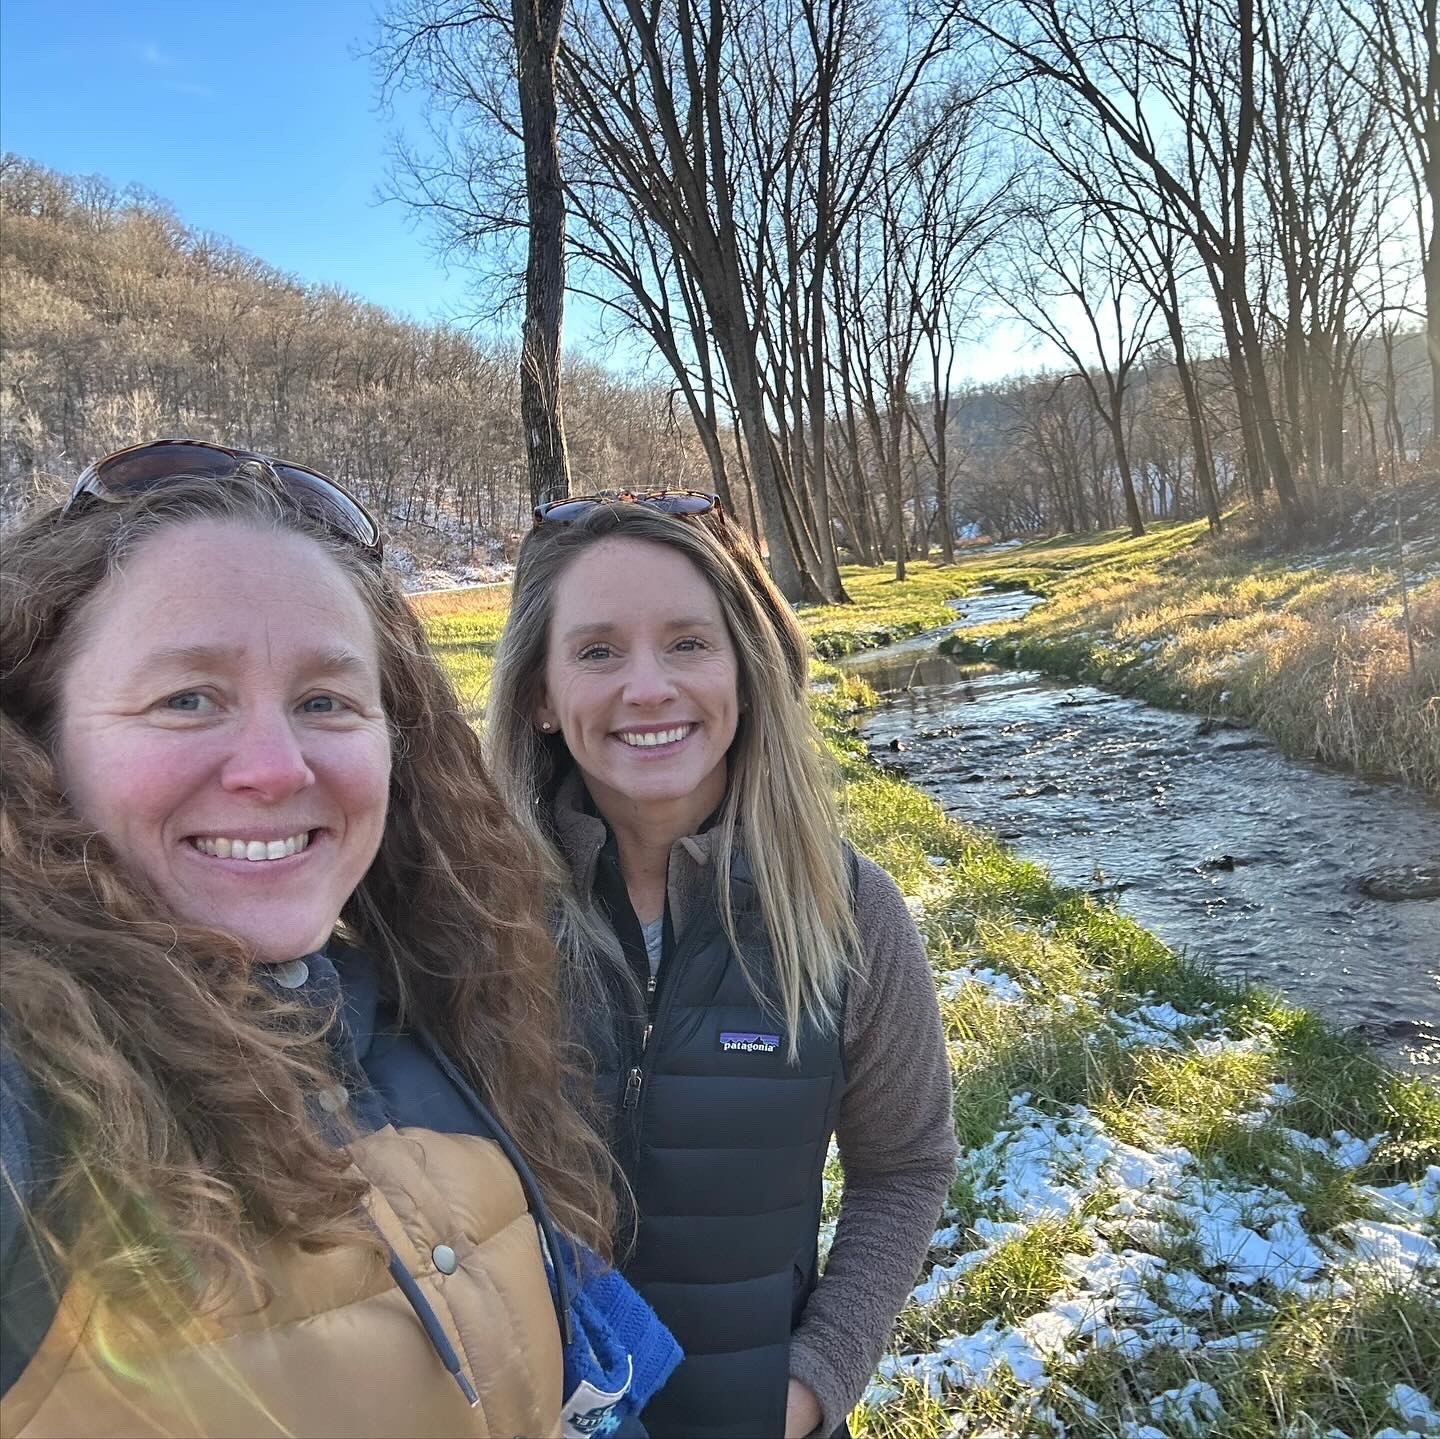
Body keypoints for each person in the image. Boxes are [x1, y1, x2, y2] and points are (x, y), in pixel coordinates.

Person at [0, 443, 679, 1439]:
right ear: (38, 738)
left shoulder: (425, 1013)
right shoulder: (30, 1085)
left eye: (324, 700)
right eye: (188, 696)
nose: (276, 767)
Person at [485, 493, 959, 1439]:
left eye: (689, 643)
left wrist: (810, 1388)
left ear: (746, 668)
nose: (649, 687)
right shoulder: (466, 917)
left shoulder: (849, 910)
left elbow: (905, 1166)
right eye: (597, 650)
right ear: (539, 693)